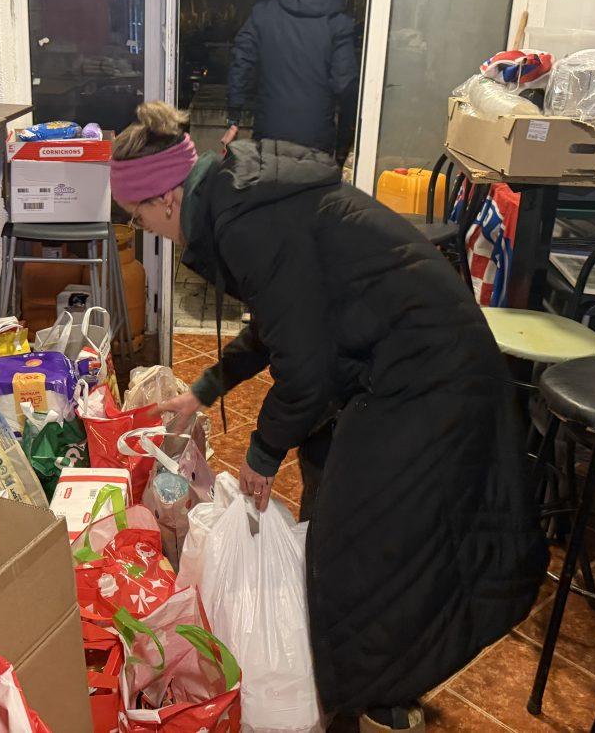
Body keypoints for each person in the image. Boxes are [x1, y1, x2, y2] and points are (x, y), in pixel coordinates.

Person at [111, 101, 546, 732]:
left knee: (361, 537)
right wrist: (205, 389)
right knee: (339, 498)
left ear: (167, 197)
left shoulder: (243, 223)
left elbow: (306, 374)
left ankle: (378, 695)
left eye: (138, 215)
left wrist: (263, 454)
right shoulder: (238, 196)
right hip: (404, 352)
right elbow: (283, 323)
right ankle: (368, 677)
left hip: (430, 366)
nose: (144, 227)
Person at [226, 0, 359, 165]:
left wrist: (234, 115)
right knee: (310, 185)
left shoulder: (263, 13)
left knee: (269, 182)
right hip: (316, 136)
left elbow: (241, 61)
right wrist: (344, 140)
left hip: (268, 130)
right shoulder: (338, 22)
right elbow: (346, 84)